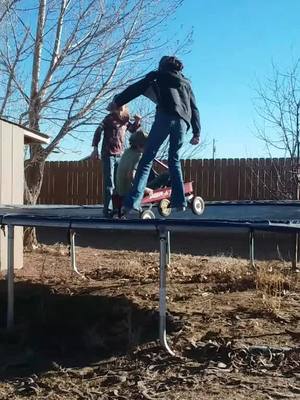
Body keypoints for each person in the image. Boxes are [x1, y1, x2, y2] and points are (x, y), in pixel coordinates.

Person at [108, 55, 201, 215]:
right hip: (182, 123)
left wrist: (117, 102)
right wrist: (196, 132)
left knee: (147, 159)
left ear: (161, 66)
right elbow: (194, 108)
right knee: (174, 160)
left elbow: (135, 89)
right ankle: (180, 202)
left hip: (165, 117)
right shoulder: (186, 83)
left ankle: (133, 202)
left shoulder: (157, 76)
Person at [91, 105, 141, 217]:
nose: (121, 110)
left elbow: (132, 130)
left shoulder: (125, 120)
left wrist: (137, 122)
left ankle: (119, 210)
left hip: (120, 155)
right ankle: (107, 211)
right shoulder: (109, 118)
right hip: (108, 154)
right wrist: (95, 148)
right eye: (119, 108)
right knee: (110, 184)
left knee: (120, 184)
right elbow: (98, 131)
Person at [115, 129, 153, 198]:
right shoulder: (137, 156)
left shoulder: (127, 152)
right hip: (129, 191)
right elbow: (131, 175)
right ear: (139, 145)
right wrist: (146, 189)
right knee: (165, 176)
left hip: (121, 190)